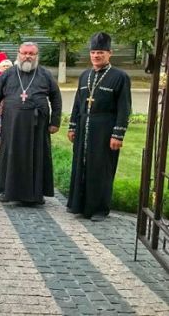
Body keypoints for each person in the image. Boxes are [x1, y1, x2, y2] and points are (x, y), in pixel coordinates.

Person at [67, 32, 132, 221]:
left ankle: (99, 209)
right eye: (94, 52)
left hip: (105, 129)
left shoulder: (120, 77)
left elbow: (124, 108)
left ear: (109, 53)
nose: (96, 56)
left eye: (101, 52)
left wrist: (118, 134)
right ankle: (78, 205)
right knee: (81, 165)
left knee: (101, 168)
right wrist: (72, 126)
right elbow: (77, 103)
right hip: (84, 125)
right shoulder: (84, 75)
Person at [0, 42, 62, 205]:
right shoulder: (8, 74)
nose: (28, 56)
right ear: (19, 54)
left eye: (32, 53)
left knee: (37, 157)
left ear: (37, 56)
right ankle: (9, 192)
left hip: (37, 126)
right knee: (11, 155)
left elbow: (56, 98)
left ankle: (36, 195)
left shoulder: (45, 74)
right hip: (12, 125)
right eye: (25, 53)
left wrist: (55, 121)